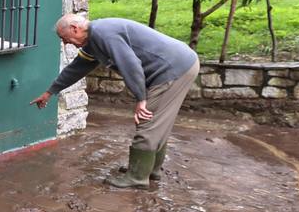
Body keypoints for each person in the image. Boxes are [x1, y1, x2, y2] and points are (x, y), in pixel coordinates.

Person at [31, 14, 200, 188]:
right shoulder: (93, 40)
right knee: (157, 121)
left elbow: (130, 64)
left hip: (173, 69)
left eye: (64, 38)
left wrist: (141, 99)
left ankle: (137, 177)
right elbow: (77, 68)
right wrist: (50, 92)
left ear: (75, 28)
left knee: (147, 120)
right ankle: (150, 170)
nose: (66, 43)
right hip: (178, 65)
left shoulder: (103, 33)